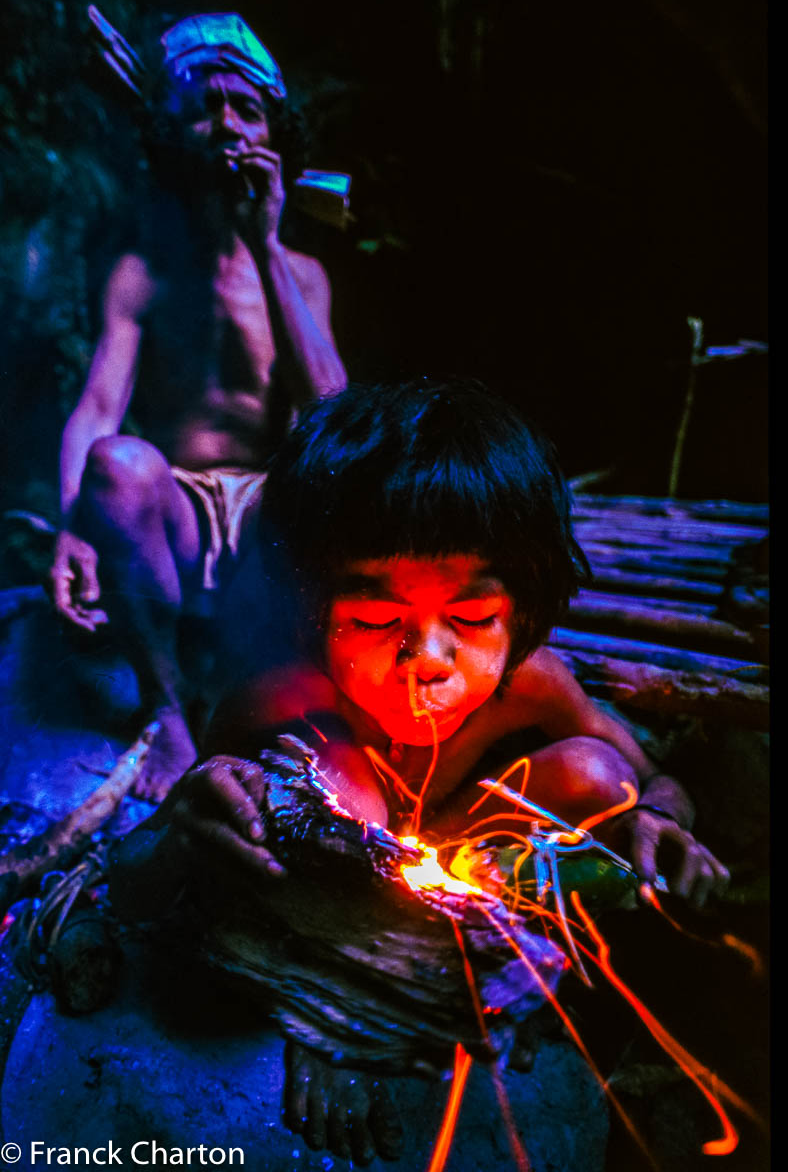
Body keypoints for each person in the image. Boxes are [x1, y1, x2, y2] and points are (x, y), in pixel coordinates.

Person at [108, 379, 730, 1163]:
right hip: (339, 867)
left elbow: (659, 779)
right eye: (374, 621)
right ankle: (343, 993)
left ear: (526, 607)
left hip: (460, 848)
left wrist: (662, 826)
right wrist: (206, 806)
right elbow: (168, 831)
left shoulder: (531, 684)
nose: (426, 663)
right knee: (337, 775)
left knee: (600, 777)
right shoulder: (288, 694)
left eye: (471, 620)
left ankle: (477, 981)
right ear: (314, 607)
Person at [49, 14, 347, 799]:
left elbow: (335, 418)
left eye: (246, 109)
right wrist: (73, 525)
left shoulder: (303, 273)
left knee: (342, 480)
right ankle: (167, 712)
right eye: (205, 105)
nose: (227, 125)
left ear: (275, 132)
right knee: (115, 464)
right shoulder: (144, 270)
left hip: (270, 522)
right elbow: (99, 407)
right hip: (175, 511)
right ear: (172, 129)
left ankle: (284, 708)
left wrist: (266, 242)